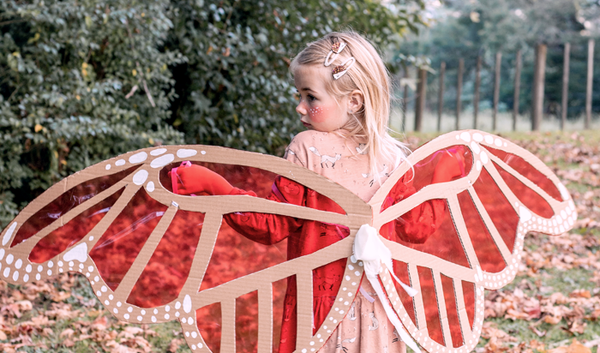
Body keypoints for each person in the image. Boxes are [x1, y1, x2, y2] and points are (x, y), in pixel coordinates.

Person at [170, 31, 465, 353]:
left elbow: (272, 224)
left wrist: (218, 188)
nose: (300, 107)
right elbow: (417, 227)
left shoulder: (307, 148)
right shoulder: (392, 156)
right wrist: (439, 182)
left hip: (321, 308)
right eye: (299, 95)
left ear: (354, 100)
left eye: (311, 97)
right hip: (379, 306)